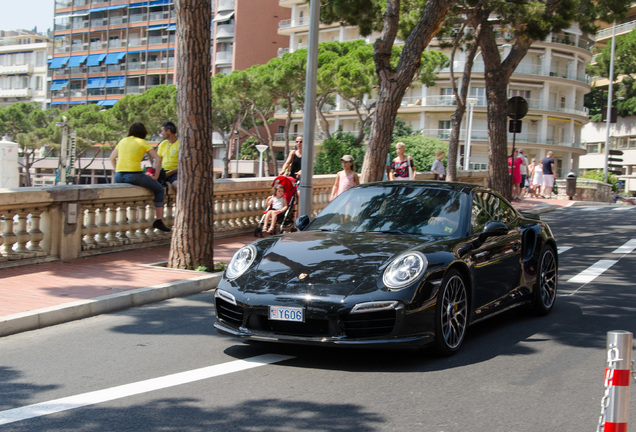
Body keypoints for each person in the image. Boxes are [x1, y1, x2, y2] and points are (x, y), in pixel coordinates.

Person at [110, 122, 171, 232]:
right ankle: (158, 220)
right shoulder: (142, 142)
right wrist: (156, 176)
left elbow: (111, 158)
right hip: (134, 175)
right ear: (144, 132)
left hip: (118, 176)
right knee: (159, 189)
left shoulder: (123, 141)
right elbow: (158, 159)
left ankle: (123, 215)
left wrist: (117, 171)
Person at [157, 121, 179, 191]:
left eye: (162, 130)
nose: (162, 133)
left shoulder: (180, 144)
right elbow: (158, 161)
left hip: (175, 174)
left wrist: (168, 174)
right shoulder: (163, 144)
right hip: (163, 173)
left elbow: (182, 165)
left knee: (178, 186)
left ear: (168, 131)